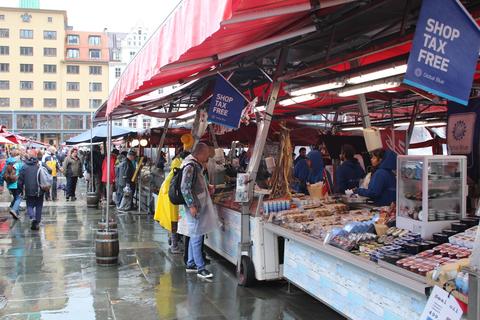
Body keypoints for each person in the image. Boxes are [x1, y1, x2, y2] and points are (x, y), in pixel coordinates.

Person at [180, 143, 219, 279]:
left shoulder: (195, 165)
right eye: (207, 154)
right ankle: (200, 268)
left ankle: (191, 264)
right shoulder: (190, 166)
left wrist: (207, 186)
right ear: (200, 153)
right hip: (195, 206)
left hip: (197, 204)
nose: (208, 157)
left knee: (194, 234)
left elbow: (195, 184)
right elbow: (185, 187)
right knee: (197, 235)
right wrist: (191, 205)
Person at [154, 150, 189, 254]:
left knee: (172, 222)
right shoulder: (179, 171)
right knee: (174, 222)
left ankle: (172, 241)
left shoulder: (174, 170)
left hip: (169, 197)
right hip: (172, 199)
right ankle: (174, 246)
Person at [17, 150, 45, 230]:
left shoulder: (24, 167)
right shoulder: (40, 164)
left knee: (29, 205)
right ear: (36, 155)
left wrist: (20, 190)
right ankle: (37, 222)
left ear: (28, 157)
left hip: (29, 190)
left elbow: (20, 181)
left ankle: (32, 217)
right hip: (40, 189)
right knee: (39, 205)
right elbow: (49, 170)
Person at [0, 150, 23, 219]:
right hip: (17, 183)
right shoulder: (19, 163)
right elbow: (23, 174)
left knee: (16, 197)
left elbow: (1, 175)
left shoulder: (6, 163)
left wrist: (1, 184)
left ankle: (16, 213)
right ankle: (13, 209)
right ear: (17, 156)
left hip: (9, 184)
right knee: (19, 198)